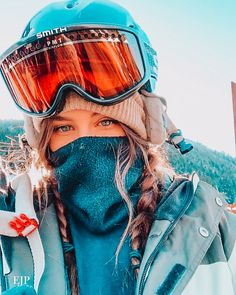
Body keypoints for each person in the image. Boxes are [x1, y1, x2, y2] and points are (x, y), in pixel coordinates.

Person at [0, 1, 235, 295]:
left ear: (145, 126)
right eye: (63, 128)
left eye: (106, 122)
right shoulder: (12, 224)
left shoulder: (211, 230)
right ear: (42, 142)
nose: (83, 140)